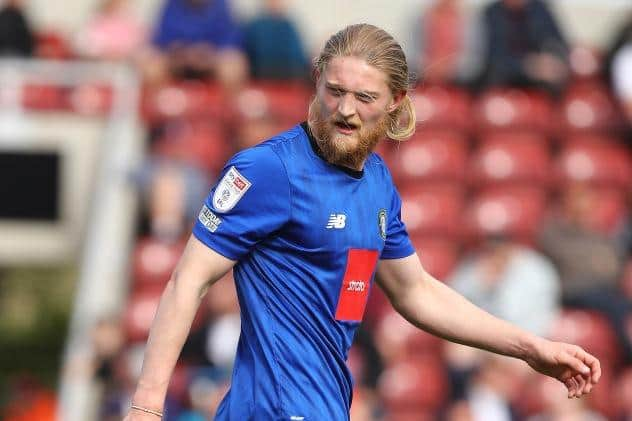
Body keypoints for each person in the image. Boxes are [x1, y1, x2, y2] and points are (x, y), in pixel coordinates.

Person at [124, 24, 600, 420]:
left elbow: (416, 292)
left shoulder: (376, 183)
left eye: (364, 97)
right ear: (317, 83)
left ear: (395, 100)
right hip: (268, 411)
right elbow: (188, 280)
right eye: (335, 91)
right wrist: (147, 403)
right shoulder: (267, 171)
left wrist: (530, 347)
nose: (345, 109)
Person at [479, 0, 569, 95]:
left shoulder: (540, 9)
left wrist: (552, 61)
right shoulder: (491, 13)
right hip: (505, 80)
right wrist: (528, 66)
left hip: (540, 80)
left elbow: (558, 44)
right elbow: (493, 59)